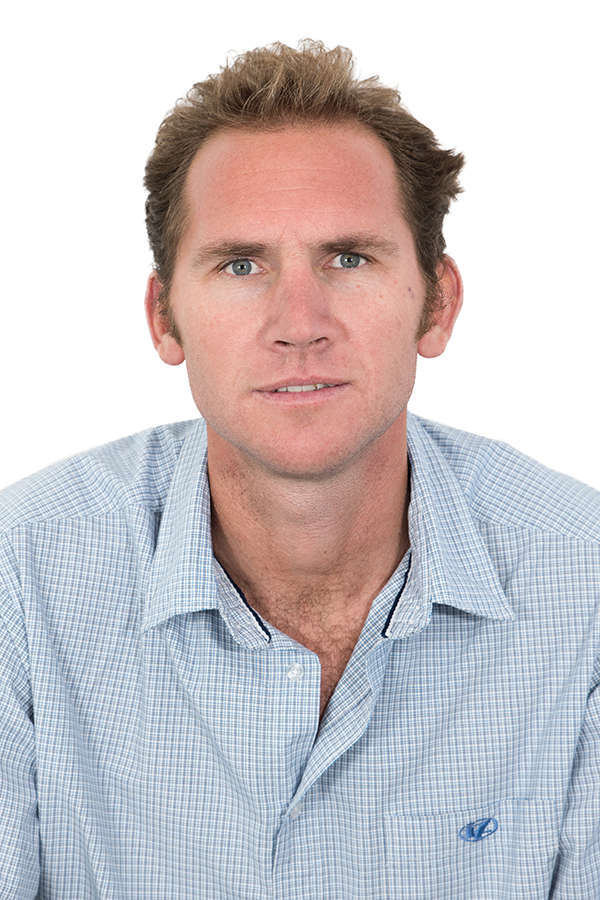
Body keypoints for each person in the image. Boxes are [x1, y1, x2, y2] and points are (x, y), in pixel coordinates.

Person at [1, 40, 598, 900]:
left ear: (437, 303)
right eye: (241, 264)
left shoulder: (585, 586)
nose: (299, 323)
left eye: (348, 258)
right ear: (164, 319)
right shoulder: (21, 580)